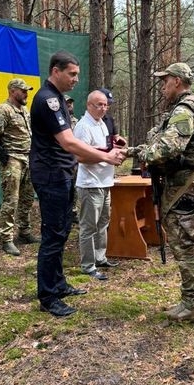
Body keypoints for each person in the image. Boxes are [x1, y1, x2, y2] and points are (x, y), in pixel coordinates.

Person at [29, 50, 126, 317]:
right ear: (55, 71)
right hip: (50, 174)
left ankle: (58, 284)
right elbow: (70, 143)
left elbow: (74, 146)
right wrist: (105, 156)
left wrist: (105, 151)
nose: (75, 79)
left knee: (61, 232)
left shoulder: (58, 98)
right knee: (52, 235)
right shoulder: (47, 99)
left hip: (61, 173)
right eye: (71, 74)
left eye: (77, 75)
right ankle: (48, 296)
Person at [125, 63, 194, 322]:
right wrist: (134, 151)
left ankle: (193, 305)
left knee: (185, 246)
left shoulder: (184, 110)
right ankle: (193, 300)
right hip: (186, 184)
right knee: (187, 245)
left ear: (177, 81)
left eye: (165, 81)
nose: (163, 86)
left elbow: (168, 148)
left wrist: (141, 154)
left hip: (182, 188)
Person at [0, 78, 38, 256]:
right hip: (12, 160)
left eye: (27, 91)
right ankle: (6, 238)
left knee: (27, 198)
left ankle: (24, 232)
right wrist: (2, 155)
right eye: (23, 91)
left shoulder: (24, 110)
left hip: (27, 158)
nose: (26, 94)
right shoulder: (3, 110)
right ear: (12, 91)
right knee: (11, 200)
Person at [73, 90, 120, 281]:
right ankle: (88, 265)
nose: (103, 108)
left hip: (105, 181)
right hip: (90, 184)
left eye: (105, 105)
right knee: (88, 226)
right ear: (89, 105)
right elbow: (80, 156)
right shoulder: (83, 126)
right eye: (99, 105)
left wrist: (115, 153)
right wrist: (106, 158)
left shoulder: (102, 124)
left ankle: (100, 258)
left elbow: (105, 150)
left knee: (103, 224)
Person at [65, 95, 79, 223]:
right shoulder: (60, 122)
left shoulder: (77, 122)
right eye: (67, 103)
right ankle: (64, 213)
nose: (70, 105)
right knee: (65, 187)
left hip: (75, 161)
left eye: (71, 103)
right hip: (63, 161)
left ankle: (73, 212)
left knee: (74, 187)